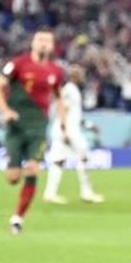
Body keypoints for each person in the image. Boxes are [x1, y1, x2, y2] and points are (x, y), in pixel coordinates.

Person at [0, 30, 65, 234]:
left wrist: (63, 122)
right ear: (33, 43)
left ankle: (17, 219)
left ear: (52, 46)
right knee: (13, 177)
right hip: (16, 126)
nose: (43, 44)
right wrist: (5, 110)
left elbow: (59, 97)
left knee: (33, 169)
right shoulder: (18, 64)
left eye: (48, 40)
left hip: (39, 127)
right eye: (40, 40)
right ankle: (14, 165)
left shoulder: (56, 71)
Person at [42, 64, 105, 205]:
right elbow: (63, 109)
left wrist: (89, 126)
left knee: (58, 161)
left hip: (62, 129)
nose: (83, 77)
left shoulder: (71, 90)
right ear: (74, 76)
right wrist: (65, 130)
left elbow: (75, 115)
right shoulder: (71, 90)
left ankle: (50, 193)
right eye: (80, 74)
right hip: (68, 130)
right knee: (84, 157)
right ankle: (86, 192)